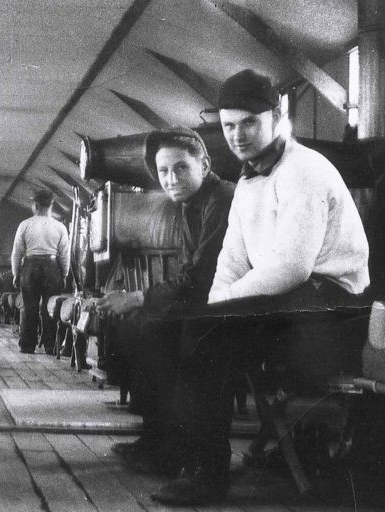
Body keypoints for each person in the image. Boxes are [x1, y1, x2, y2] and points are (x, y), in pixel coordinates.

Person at [152, 69, 370, 506]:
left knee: (205, 335)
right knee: (182, 327)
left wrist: (218, 312)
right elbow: (230, 261)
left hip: (331, 315)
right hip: (292, 308)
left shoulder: (303, 170)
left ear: (277, 116)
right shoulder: (249, 182)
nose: (237, 135)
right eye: (229, 125)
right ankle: (183, 457)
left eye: (248, 122)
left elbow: (290, 268)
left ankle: (208, 477)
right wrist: (212, 307)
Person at [94, 127, 234, 475]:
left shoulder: (222, 200)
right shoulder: (191, 205)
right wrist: (139, 303)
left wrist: (139, 296)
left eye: (181, 168)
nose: (171, 179)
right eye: (164, 171)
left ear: (204, 163)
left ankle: (172, 449)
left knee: (157, 332)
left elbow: (201, 278)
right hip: (208, 298)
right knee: (138, 327)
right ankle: (156, 437)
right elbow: (190, 273)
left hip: (231, 306)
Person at [11, 189, 70, 354]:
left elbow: (17, 252)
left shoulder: (25, 225)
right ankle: (50, 346)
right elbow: (65, 254)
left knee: (29, 307)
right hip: (52, 268)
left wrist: (16, 273)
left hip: (30, 267)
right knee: (50, 307)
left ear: (35, 205)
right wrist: (64, 274)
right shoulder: (60, 227)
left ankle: (27, 345)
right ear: (51, 206)